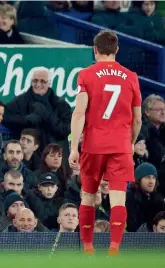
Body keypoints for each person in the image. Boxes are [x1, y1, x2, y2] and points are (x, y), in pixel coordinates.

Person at [69, 30, 142, 256]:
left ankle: (88, 248)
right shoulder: (131, 76)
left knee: (89, 196)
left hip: (94, 145)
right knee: (118, 198)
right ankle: (114, 248)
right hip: (120, 145)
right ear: (117, 50)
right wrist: (130, 142)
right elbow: (138, 118)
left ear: (95, 49)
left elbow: (79, 112)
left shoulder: (86, 75)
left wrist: (73, 147)